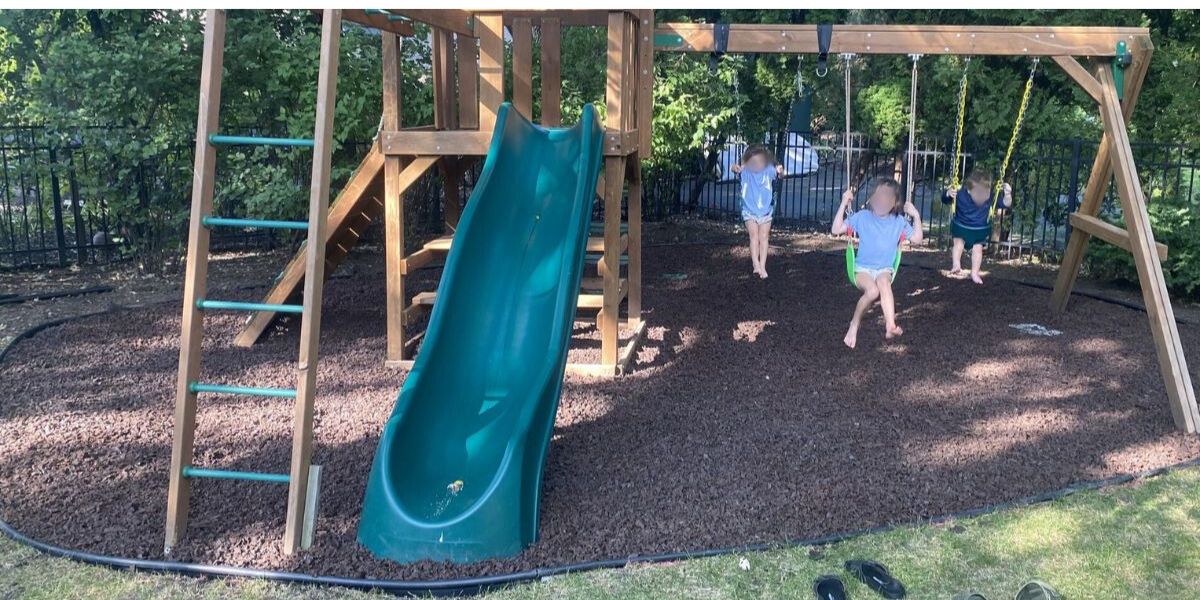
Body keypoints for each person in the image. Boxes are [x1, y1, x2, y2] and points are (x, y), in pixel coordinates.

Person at [831, 178, 924, 349]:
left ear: (894, 203)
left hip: (884, 269)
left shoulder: (899, 221)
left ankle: (890, 325)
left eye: (887, 198)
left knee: (883, 282)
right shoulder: (862, 217)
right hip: (862, 270)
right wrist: (844, 203)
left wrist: (916, 216)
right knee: (873, 291)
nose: (882, 201)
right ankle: (854, 325)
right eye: (879, 196)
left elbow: (917, 239)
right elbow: (836, 229)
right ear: (872, 198)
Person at [942, 169, 1014, 284]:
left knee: (978, 250)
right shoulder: (960, 194)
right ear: (969, 191)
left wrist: (1008, 194)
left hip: (979, 232)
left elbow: (1006, 204)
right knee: (958, 243)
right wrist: (948, 193)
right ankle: (956, 265)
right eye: (978, 193)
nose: (982, 197)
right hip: (961, 228)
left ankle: (974, 273)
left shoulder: (990, 197)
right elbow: (945, 199)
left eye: (985, 193)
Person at [731, 144, 785, 278]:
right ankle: (755, 264)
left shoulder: (768, 171)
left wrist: (781, 170)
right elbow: (734, 169)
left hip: (766, 210)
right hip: (749, 210)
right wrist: (734, 167)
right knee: (754, 236)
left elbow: (781, 175)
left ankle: (762, 265)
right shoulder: (746, 171)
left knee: (764, 237)